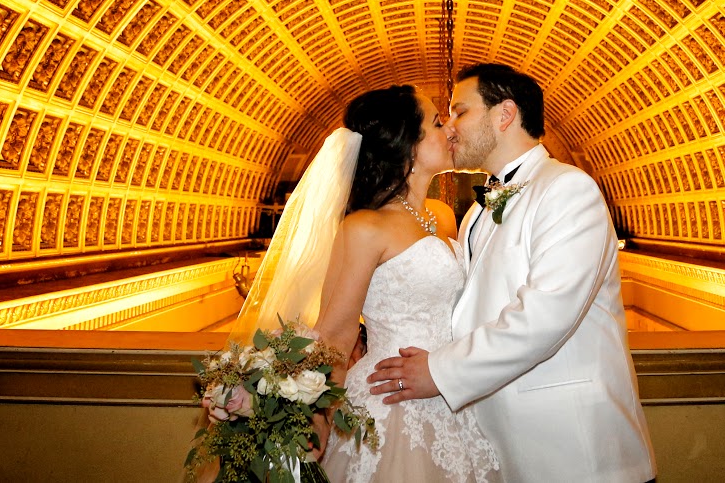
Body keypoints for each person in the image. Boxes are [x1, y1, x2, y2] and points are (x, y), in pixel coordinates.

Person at [365, 63, 656, 483]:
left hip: (574, 451)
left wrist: (439, 372)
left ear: (504, 114)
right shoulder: (475, 214)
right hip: (495, 450)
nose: (450, 127)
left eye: (460, 111)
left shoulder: (568, 189)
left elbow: (546, 316)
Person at [230, 84, 500, 483]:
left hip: (452, 388)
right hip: (390, 396)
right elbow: (336, 336)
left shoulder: (443, 216)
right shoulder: (364, 227)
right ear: (406, 143)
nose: (450, 131)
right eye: (437, 122)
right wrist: (320, 418)